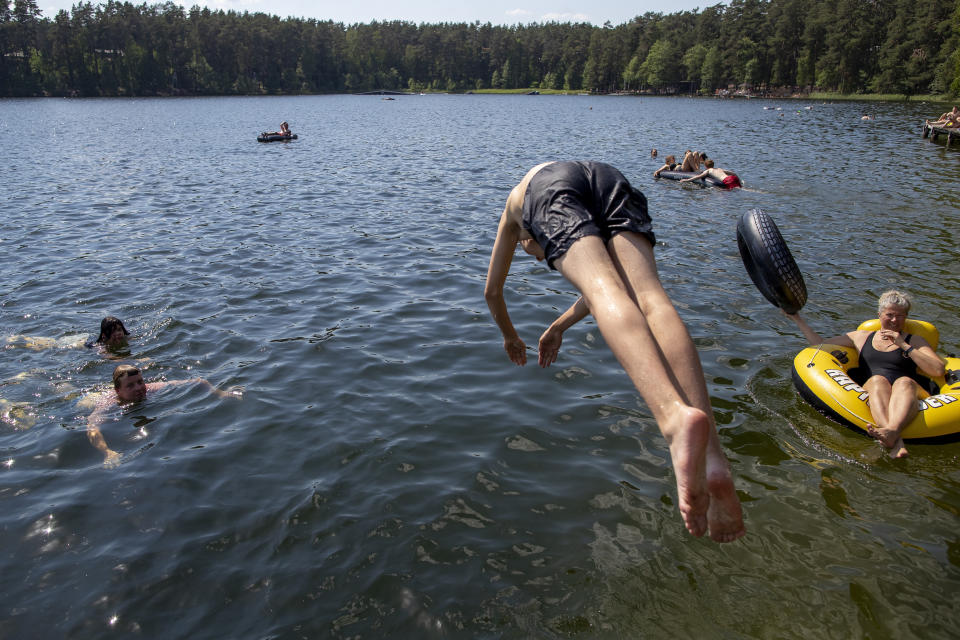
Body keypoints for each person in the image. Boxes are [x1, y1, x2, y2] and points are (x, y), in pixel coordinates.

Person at [484, 161, 745, 542]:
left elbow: (492, 291)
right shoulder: (568, 194)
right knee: (651, 297)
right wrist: (557, 327)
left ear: (529, 237)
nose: (545, 259)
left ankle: (674, 420)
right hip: (607, 175)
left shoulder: (516, 212)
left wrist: (509, 336)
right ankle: (713, 460)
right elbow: (606, 293)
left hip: (550, 188)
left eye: (539, 256)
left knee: (603, 288)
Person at [786, 290, 945, 459]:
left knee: (904, 381)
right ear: (879, 315)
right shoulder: (861, 337)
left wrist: (903, 344)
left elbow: (938, 369)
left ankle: (892, 435)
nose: (894, 320)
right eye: (889, 314)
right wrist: (797, 319)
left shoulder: (915, 341)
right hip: (876, 387)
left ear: (906, 317)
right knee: (877, 380)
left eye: (900, 316)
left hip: (908, 390)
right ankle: (894, 438)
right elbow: (819, 344)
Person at [86, 364, 240, 467]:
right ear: (118, 391)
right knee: (82, 401)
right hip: (94, 398)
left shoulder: (153, 389)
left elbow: (200, 381)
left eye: (140, 382)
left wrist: (221, 393)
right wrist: (107, 452)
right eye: (131, 385)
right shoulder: (110, 403)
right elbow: (92, 427)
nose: (139, 388)